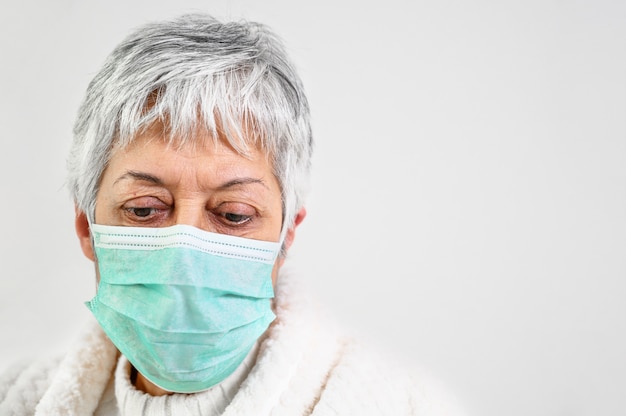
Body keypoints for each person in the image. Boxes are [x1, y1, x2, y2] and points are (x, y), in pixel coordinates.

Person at [0, 13, 465, 415]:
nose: (185, 253)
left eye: (234, 214)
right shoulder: (12, 399)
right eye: (144, 210)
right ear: (87, 228)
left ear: (285, 237)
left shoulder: (403, 407)